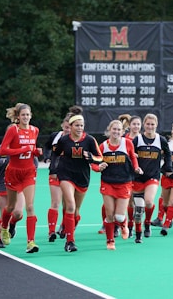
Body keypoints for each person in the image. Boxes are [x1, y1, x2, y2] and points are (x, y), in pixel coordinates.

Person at [53, 106, 103, 252]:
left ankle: (67, 228)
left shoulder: (89, 140)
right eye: (77, 125)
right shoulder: (64, 140)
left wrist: (91, 157)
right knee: (70, 205)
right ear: (71, 126)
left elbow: (100, 157)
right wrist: (54, 169)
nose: (79, 128)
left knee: (76, 211)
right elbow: (56, 153)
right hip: (66, 174)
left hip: (82, 176)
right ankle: (70, 241)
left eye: (81, 125)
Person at [91, 120, 143, 250]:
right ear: (109, 130)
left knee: (119, 216)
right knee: (109, 215)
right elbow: (93, 162)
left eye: (119, 130)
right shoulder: (103, 146)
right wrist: (98, 167)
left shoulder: (127, 143)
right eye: (114, 129)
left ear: (123, 132)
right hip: (107, 182)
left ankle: (123, 223)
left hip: (124, 182)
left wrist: (136, 168)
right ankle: (110, 241)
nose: (116, 132)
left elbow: (133, 157)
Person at [0, 103, 43, 253]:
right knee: (11, 207)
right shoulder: (13, 130)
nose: (26, 117)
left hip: (29, 172)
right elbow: (3, 150)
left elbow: (31, 149)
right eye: (23, 115)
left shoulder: (35, 130)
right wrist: (22, 149)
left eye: (28, 115)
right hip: (13, 172)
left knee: (30, 206)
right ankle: (4, 227)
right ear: (18, 117)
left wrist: (36, 152)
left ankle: (31, 242)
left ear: (31, 116)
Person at [131, 113, 172, 243]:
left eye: (152, 124)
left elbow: (168, 154)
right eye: (148, 124)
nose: (150, 126)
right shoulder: (137, 139)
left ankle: (147, 223)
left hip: (153, 176)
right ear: (144, 125)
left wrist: (168, 167)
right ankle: (133, 226)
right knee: (137, 207)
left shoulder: (161, 140)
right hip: (137, 178)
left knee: (149, 202)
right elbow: (129, 154)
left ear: (156, 125)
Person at [0, 145, 25, 248]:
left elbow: (33, 162)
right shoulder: (0, 150)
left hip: (17, 185)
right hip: (2, 185)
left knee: (18, 213)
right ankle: (1, 238)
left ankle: (12, 225)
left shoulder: (23, 146)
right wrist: (0, 162)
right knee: (4, 213)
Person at [44, 114, 71, 242]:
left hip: (70, 175)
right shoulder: (55, 136)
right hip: (55, 173)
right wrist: (47, 156)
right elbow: (47, 146)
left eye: (69, 127)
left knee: (68, 204)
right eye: (65, 127)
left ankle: (64, 226)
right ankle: (51, 231)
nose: (67, 130)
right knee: (55, 202)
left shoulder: (77, 140)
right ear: (62, 126)